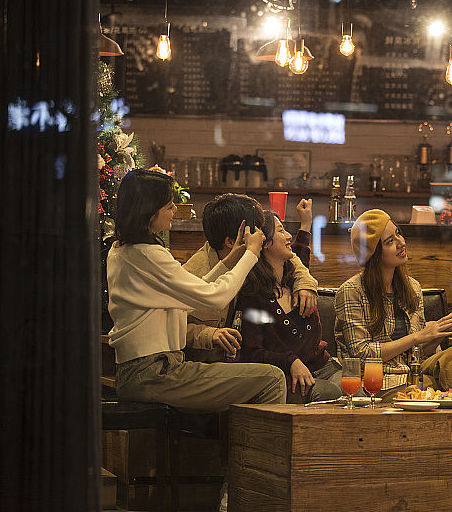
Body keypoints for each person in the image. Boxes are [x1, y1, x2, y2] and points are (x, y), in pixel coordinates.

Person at [107, 169, 286, 412]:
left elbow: (189, 298)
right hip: (156, 373)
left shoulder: (122, 250)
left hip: (145, 371)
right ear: (148, 210)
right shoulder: (148, 255)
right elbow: (215, 297)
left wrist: (231, 260)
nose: (174, 210)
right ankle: (248, 451)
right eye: (169, 205)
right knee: (273, 379)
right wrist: (252, 254)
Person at [334, 209, 452, 401]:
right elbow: (362, 354)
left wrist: (442, 331)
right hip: (379, 382)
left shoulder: (412, 287)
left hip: (415, 374)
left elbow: (419, 354)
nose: (401, 243)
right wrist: (417, 337)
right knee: (430, 391)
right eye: (390, 241)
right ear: (373, 253)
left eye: (398, 233)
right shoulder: (351, 291)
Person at [182, 194, 318, 363]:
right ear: (231, 242)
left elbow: (292, 260)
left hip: (238, 359)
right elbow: (168, 327)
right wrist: (209, 334)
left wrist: (305, 283)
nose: (261, 236)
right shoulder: (193, 273)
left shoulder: (252, 253)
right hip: (200, 361)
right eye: (255, 230)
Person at [233, 201, 343, 403]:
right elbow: (252, 352)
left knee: (358, 392)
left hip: (323, 366)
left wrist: (306, 224)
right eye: (282, 231)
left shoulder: (298, 283)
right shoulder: (253, 297)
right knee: (330, 395)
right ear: (264, 243)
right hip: (288, 375)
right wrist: (290, 361)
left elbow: (300, 254)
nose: (289, 236)